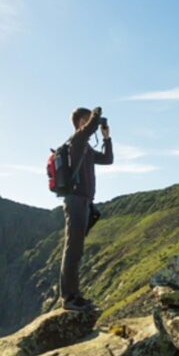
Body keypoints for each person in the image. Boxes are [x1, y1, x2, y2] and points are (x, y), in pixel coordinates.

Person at [59, 106, 114, 311]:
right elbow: (89, 129)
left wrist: (106, 138)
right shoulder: (76, 141)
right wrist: (96, 115)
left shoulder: (86, 148)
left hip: (84, 202)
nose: (92, 123)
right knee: (72, 249)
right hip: (75, 201)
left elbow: (108, 160)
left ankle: (75, 295)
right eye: (88, 120)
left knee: (77, 249)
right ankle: (69, 298)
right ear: (81, 122)